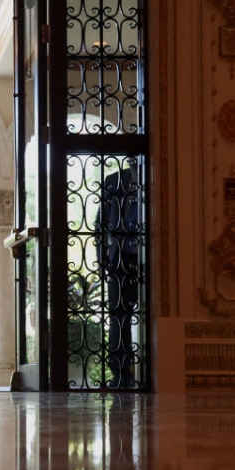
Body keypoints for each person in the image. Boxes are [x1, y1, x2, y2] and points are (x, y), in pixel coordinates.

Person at [98, 164, 141, 387]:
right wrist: (102, 259)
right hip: (120, 258)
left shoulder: (156, 178)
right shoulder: (113, 181)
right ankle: (120, 374)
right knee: (118, 317)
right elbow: (101, 222)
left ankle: (149, 370)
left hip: (146, 260)